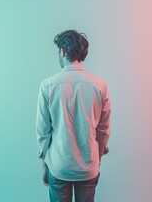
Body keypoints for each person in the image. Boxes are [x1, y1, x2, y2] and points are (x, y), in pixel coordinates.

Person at [36, 29, 111, 202]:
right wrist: (97, 157)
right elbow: (104, 130)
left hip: (59, 165)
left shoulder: (48, 85)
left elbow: (43, 132)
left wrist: (45, 164)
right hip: (88, 165)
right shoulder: (100, 85)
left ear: (63, 51)